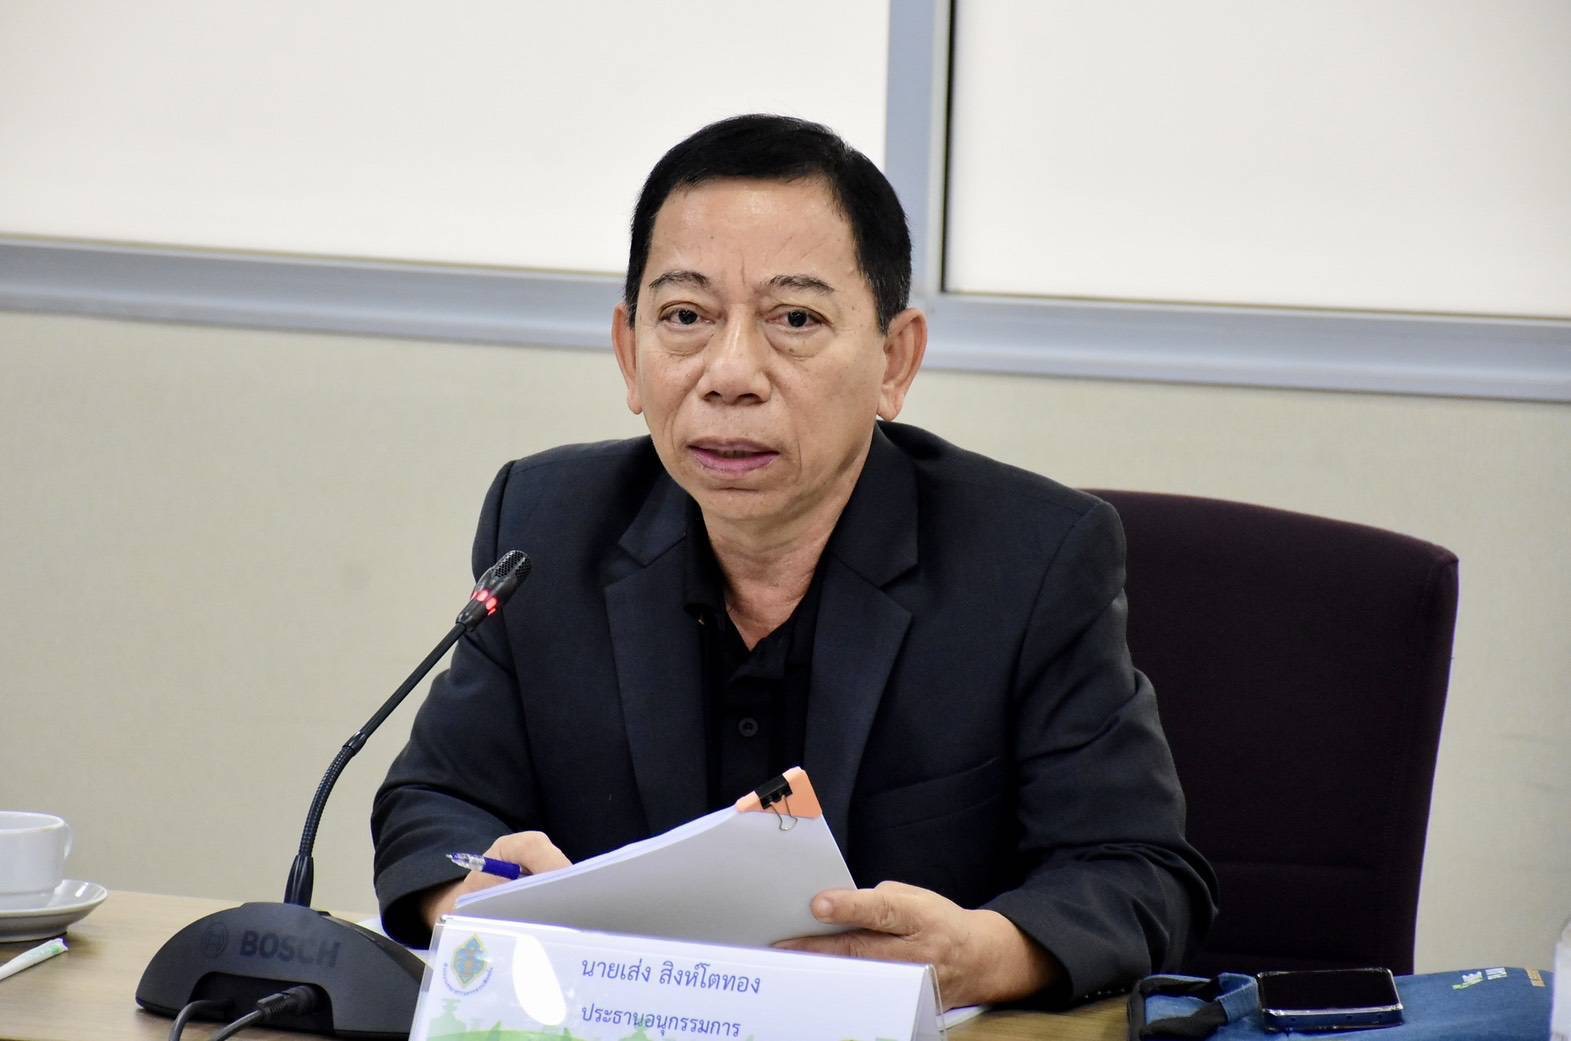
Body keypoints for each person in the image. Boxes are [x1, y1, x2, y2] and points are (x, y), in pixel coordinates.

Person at [372, 113, 1217, 1009]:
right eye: (686, 317)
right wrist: (471, 891)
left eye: (795, 319)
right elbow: (433, 801)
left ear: (894, 361)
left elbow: (1137, 870)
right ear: (628, 351)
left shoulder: (1031, 558)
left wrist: (983, 953)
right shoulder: (547, 525)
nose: (731, 372)